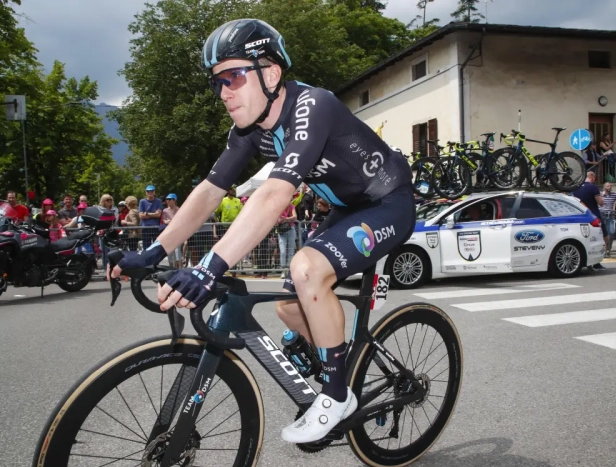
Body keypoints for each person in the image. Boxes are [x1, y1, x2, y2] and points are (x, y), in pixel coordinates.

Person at [110, 18, 415, 444]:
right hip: (348, 209)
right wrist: (154, 252)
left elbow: (273, 196)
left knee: (307, 269)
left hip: (389, 202)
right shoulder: (250, 131)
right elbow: (209, 193)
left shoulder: (314, 105)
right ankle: (344, 367)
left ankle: (336, 394)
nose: (224, 93)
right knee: (290, 307)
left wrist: (208, 268)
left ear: (270, 73)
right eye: (216, 83)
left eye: (232, 77)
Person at [573, 171, 605, 270]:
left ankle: (588, 261)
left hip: (580, 217)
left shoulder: (576, 188)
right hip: (594, 216)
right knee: (603, 238)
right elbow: (601, 203)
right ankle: (596, 263)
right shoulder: (593, 187)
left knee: (585, 240)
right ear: (592, 177)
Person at [600, 182, 616, 258]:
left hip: (610, 215)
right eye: (608, 186)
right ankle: (604, 250)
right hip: (602, 214)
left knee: (611, 232)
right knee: (603, 234)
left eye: (610, 186)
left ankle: (608, 249)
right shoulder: (600, 194)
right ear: (604, 187)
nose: (610, 187)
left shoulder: (614, 194)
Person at [162, 193, 184, 269]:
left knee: (177, 251)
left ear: (174, 200)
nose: (167, 201)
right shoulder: (165, 210)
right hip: (169, 233)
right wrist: (167, 221)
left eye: (169, 199)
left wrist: (171, 221)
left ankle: (179, 268)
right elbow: (164, 220)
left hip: (177, 232)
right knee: (170, 251)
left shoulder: (179, 209)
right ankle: (171, 268)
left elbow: (180, 220)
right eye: (167, 199)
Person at [139, 185, 163, 250]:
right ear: (146, 192)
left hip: (156, 228)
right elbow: (141, 216)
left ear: (154, 192)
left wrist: (147, 213)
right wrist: (154, 214)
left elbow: (158, 215)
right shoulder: (142, 201)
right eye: (148, 191)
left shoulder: (158, 201)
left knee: (156, 247)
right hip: (145, 228)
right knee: (146, 248)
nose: (150, 193)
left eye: (152, 191)